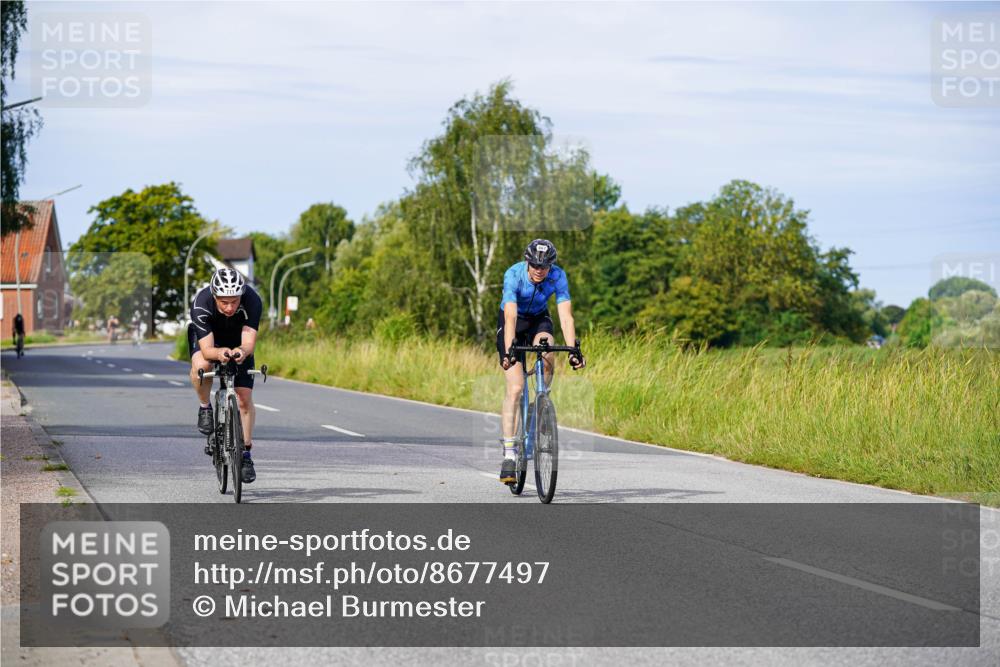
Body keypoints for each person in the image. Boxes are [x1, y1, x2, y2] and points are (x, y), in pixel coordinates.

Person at [496, 239, 585, 484]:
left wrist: (573, 349)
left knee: (547, 349)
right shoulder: (513, 274)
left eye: (544, 266)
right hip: (513, 321)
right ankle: (510, 454)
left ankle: (541, 399)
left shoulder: (558, 276)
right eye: (535, 265)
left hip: (538, 320)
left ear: (551, 266)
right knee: (515, 388)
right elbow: (511, 314)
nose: (539, 270)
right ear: (528, 262)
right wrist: (509, 351)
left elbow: (565, 316)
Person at [188, 268, 262, 483]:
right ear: (214, 296)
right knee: (202, 364)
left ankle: (246, 454)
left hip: (237, 339)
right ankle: (205, 407)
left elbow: (248, 343)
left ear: (241, 295)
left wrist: (241, 352)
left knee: (244, 399)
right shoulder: (201, 303)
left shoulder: (252, 300)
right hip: (209, 340)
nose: (230, 307)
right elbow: (208, 349)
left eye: (234, 301)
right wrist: (218, 353)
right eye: (224, 302)